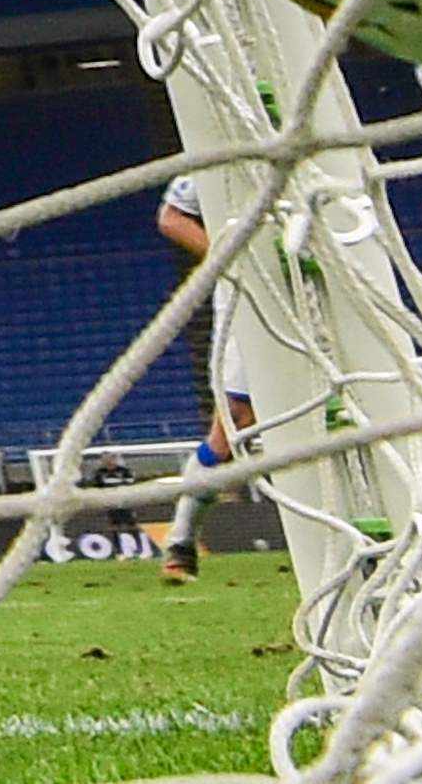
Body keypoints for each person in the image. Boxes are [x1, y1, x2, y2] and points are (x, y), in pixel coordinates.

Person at [152, 174, 265, 584]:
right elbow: (172, 217)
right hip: (249, 299)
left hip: (320, 291)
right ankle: (181, 541)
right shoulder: (222, 146)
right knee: (236, 422)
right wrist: (231, 259)